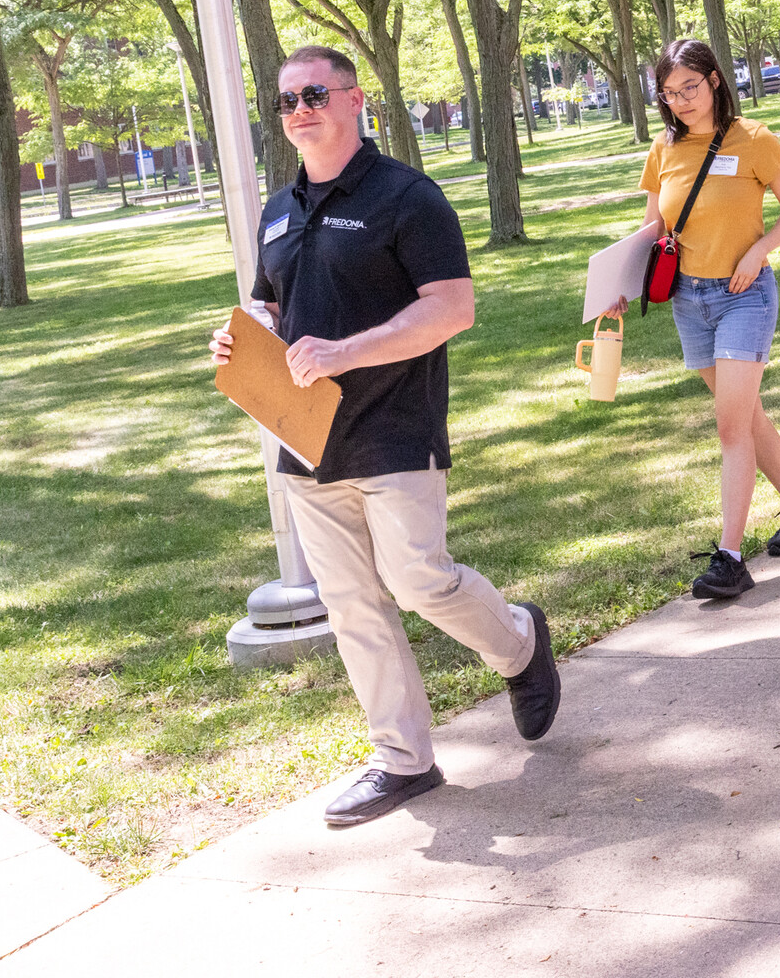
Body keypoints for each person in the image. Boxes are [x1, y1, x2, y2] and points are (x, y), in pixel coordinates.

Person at [211, 45, 561, 829]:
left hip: (395, 427)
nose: (299, 109)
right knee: (352, 605)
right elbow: (273, 303)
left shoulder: (408, 196)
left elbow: (452, 308)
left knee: (417, 580)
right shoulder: (277, 209)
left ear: (354, 98)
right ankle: (402, 760)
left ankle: (518, 642)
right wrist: (244, 334)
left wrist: (346, 351)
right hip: (304, 439)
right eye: (286, 101)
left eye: (313, 94)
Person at [636, 39, 780, 601]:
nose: (680, 101)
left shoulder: (755, 140)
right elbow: (652, 228)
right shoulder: (663, 149)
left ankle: (731, 557)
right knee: (746, 415)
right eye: (669, 93)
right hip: (689, 301)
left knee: (730, 427)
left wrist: (757, 250)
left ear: (715, 81)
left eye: (689, 87)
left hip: (744, 295)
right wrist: (619, 285)